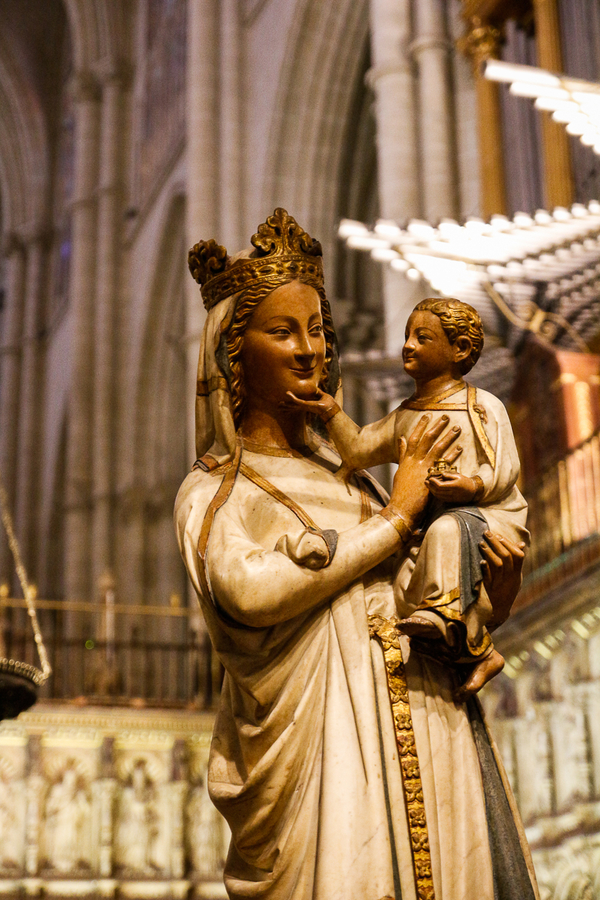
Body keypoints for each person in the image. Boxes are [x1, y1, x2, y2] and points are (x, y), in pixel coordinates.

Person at [175, 209, 539, 900]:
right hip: (327, 763)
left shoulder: (359, 483)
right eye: (283, 331)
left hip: (432, 733)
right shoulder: (219, 488)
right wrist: (400, 515)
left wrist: (495, 581)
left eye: (318, 331)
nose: (310, 351)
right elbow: (247, 591)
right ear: (233, 351)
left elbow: (432, 594)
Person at [286, 297, 528, 698]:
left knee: (448, 533)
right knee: (413, 567)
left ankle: (445, 616)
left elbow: (505, 468)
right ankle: (477, 649)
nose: (408, 345)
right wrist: (330, 412)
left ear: (460, 350)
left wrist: (471, 487)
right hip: (433, 525)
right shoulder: (405, 414)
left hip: (490, 516)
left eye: (422, 337)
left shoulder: (482, 406)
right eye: (407, 336)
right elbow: (361, 448)